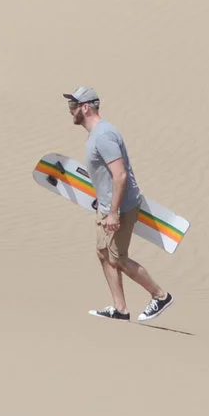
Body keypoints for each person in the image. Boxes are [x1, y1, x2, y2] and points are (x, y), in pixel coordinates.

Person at [65, 85, 175, 323]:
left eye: (73, 105)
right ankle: (120, 309)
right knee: (103, 253)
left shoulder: (104, 136)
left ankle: (160, 295)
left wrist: (114, 213)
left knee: (118, 258)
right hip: (106, 207)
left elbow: (120, 175)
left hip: (121, 208)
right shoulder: (96, 134)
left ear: (86, 108)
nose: (70, 109)